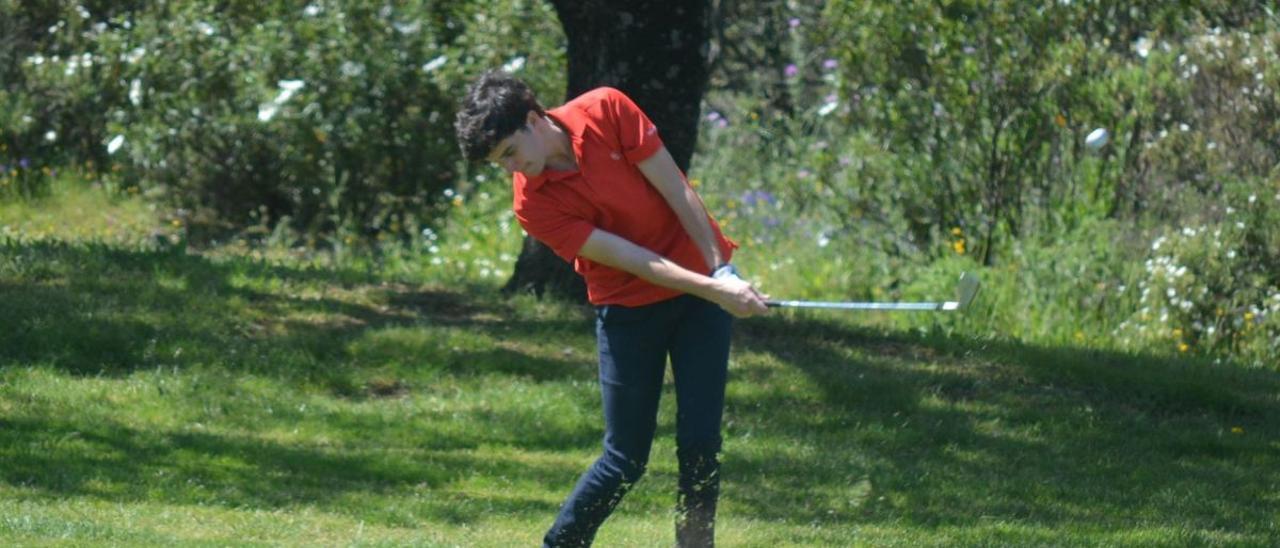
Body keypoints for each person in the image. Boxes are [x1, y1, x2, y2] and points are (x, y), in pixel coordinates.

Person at [454, 71, 769, 547]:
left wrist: (719, 269)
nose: (511, 169)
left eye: (510, 153)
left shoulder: (607, 109)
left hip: (700, 296)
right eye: (500, 162)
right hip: (629, 310)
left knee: (701, 444)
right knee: (625, 457)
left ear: (533, 119)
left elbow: (676, 188)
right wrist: (711, 287)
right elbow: (633, 260)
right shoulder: (530, 204)